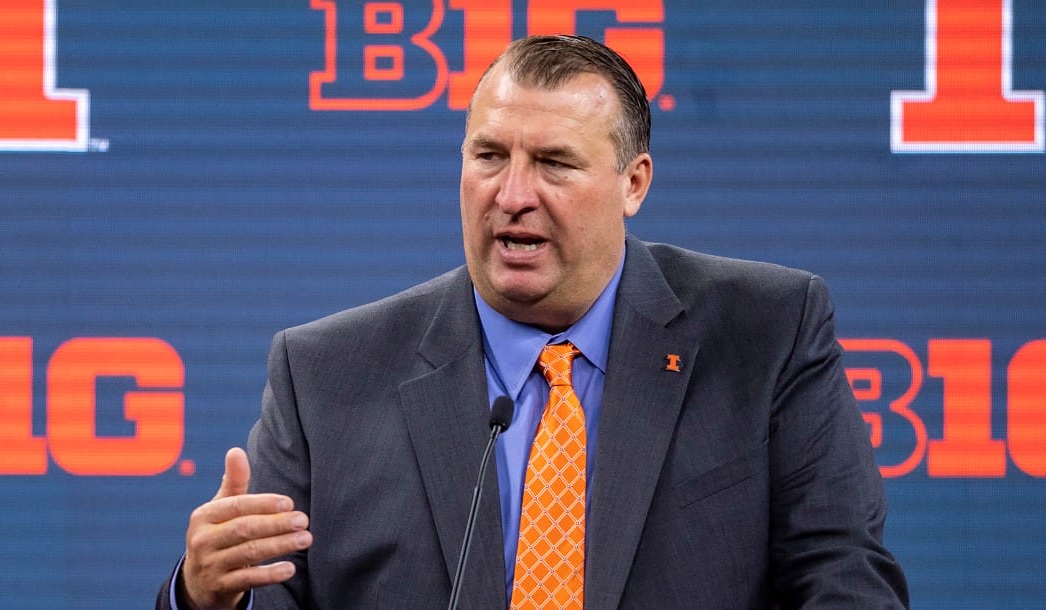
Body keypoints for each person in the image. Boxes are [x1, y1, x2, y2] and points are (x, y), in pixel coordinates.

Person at [158, 35, 909, 609]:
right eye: (489, 155)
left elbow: (845, 582)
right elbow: (268, 594)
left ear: (633, 183)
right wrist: (201, 595)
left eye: (554, 163)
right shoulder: (322, 375)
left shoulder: (766, 333)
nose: (513, 194)